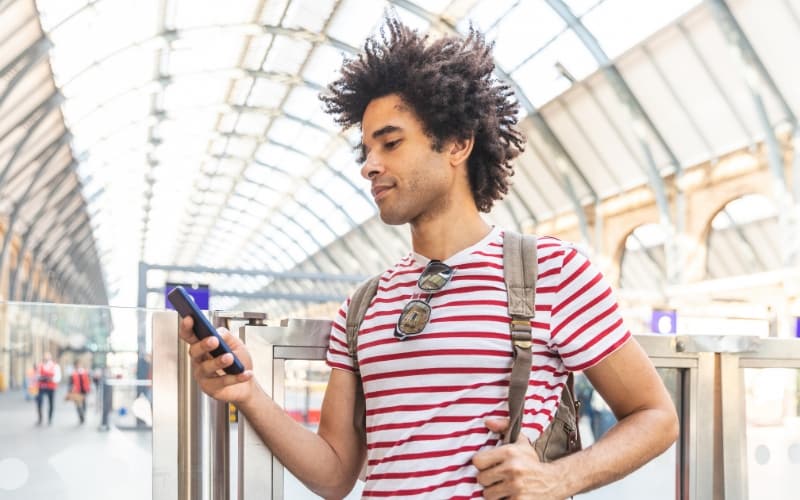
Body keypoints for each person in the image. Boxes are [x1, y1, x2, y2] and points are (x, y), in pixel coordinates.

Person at [179, 17, 679, 499]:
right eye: (366, 151)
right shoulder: (363, 305)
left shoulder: (552, 272)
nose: (370, 166)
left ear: (458, 144)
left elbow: (655, 416)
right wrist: (246, 394)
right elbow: (333, 475)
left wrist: (558, 480)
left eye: (391, 143)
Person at [35, 351, 61, 426]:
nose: (46, 357)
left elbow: (57, 377)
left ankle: (50, 419)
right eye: (45, 356)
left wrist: (51, 379)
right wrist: (41, 378)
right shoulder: (40, 365)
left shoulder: (55, 366)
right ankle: (40, 418)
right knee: (39, 401)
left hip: (51, 387)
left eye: (47, 356)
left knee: (51, 403)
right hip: (42, 386)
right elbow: (37, 375)